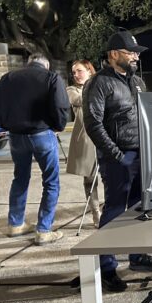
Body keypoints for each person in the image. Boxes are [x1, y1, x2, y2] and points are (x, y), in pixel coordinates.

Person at [83, 30, 152, 293]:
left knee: (140, 208)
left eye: (136, 53)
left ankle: (138, 255)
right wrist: (116, 155)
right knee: (115, 210)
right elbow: (93, 124)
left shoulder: (137, 82)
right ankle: (106, 267)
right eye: (131, 52)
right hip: (117, 158)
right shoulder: (99, 83)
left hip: (142, 154)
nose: (135, 57)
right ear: (113, 54)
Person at [0, 54, 70, 245]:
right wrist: (58, 125)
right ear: (46, 64)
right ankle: (44, 229)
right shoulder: (51, 78)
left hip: (16, 136)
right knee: (51, 182)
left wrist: (6, 124)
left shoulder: (9, 77)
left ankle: (16, 224)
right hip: (42, 134)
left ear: (29, 63)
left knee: (20, 178)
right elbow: (61, 106)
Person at [66, 60, 102, 228]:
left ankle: (110, 209)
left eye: (79, 71)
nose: (76, 75)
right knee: (90, 180)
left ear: (89, 71)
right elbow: (80, 100)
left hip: (104, 137)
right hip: (86, 141)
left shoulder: (99, 88)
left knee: (111, 177)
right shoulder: (72, 90)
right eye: (74, 72)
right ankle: (96, 213)